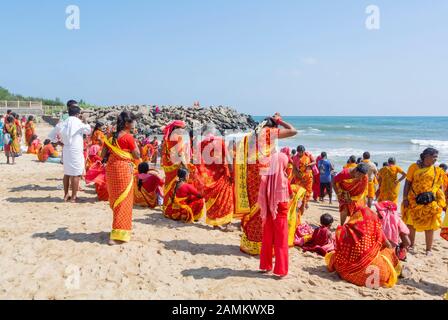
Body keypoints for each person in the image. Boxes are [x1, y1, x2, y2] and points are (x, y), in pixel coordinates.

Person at [238, 113, 298, 255]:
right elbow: (293, 131)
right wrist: (281, 121)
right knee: (264, 207)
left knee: (255, 205)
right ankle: (261, 243)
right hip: (263, 175)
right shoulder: (269, 132)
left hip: (250, 175)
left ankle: (251, 240)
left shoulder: (250, 136)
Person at [326, 206, 401, 288]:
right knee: (387, 252)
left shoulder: (347, 230)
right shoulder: (374, 227)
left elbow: (338, 249)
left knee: (335, 256)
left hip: (346, 274)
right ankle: (399, 271)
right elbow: (389, 245)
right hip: (380, 278)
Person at [102, 111, 140, 245]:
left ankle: (119, 228)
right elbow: (136, 155)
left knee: (116, 200)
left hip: (111, 170)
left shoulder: (110, 136)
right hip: (123, 170)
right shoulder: (129, 138)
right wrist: (134, 147)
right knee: (124, 201)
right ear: (126, 123)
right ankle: (117, 235)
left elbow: (103, 154)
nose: (134, 124)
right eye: (132, 122)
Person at [402, 148, 446, 255]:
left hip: (430, 202)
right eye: (434, 157)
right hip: (414, 200)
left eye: (436, 157)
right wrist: (405, 198)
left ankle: (428, 250)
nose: (436, 159)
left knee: (430, 226)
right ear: (426, 156)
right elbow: (407, 183)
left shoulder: (436, 170)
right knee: (411, 224)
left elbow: (439, 187)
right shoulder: (414, 167)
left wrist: (441, 201)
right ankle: (411, 246)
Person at [259, 151, 291, 278]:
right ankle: (280, 269)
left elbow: (262, 195)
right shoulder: (284, 180)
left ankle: (265, 265)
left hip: (267, 211)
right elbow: (289, 196)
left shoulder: (265, 178)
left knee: (267, 239)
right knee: (281, 241)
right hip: (280, 213)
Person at [53, 102, 92, 202]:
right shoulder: (78, 122)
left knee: (67, 173)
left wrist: (60, 143)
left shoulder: (64, 122)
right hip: (75, 150)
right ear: (78, 114)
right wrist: (85, 120)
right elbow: (88, 130)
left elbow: (53, 134)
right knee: (76, 173)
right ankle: (74, 197)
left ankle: (66, 195)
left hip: (66, 149)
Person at [196, 127, 235, 229]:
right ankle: (227, 224)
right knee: (226, 199)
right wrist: (232, 173)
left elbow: (196, 161)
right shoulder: (220, 142)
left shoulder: (200, 145)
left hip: (208, 179)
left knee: (212, 200)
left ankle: (215, 224)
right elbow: (229, 159)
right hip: (222, 176)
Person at [161, 120, 189, 209]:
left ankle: (166, 204)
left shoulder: (168, 136)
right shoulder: (178, 137)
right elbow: (180, 153)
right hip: (175, 164)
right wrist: (186, 166)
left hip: (167, 164)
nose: (183, 130)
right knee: (176, 184)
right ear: (176, 128)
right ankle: (173, 205)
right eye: (181, 128)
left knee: (168, 183)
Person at [291, 145, 315, 212]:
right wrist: (297, 176)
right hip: (299, 178)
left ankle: (305, 203)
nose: (301, 153)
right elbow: (294, 168)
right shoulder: (295, 158)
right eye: (300, 152)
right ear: (297, 152)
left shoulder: (308, 155)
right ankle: (300, 205)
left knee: (308, 191)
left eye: (302, 152)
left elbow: (314, 162)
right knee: (300, 191)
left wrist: (309, 164)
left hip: (308, 177)